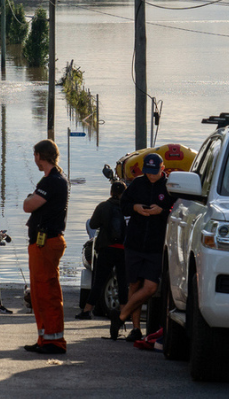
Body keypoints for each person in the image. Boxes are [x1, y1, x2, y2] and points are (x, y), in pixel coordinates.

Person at [109, 153, 175, 342]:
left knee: (151, 287)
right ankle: (136, 329)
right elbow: (124, 205)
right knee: (134, 284)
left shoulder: (169, 187)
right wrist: (136, 207)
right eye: (148, 172)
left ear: (162, 169)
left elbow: (176, 211)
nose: (151, 176)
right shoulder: (137, 183)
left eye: (154, 172)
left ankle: (121, 316)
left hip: (156, 244)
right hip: (135, 242)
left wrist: (161, 211)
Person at [22, 139, 69, 355]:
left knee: (46, 292)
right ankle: (44, 338)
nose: (35, 161)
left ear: (40, 156)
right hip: (44, 242)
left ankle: (53, 341)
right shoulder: (53, 180)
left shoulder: (52, 182)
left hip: (46, 243)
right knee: (40, 293)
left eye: (35, 156)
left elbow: (29, 205)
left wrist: (28, 198)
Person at [76, 181, 128, 319]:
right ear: (124, 193)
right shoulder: (127, 208)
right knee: (123, 282)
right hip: (123, 250)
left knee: (99, 281)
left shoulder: (103, 206)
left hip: (106, 249)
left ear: (111, 192)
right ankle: (123, 313)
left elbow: (93, 224)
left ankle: (87, 311)